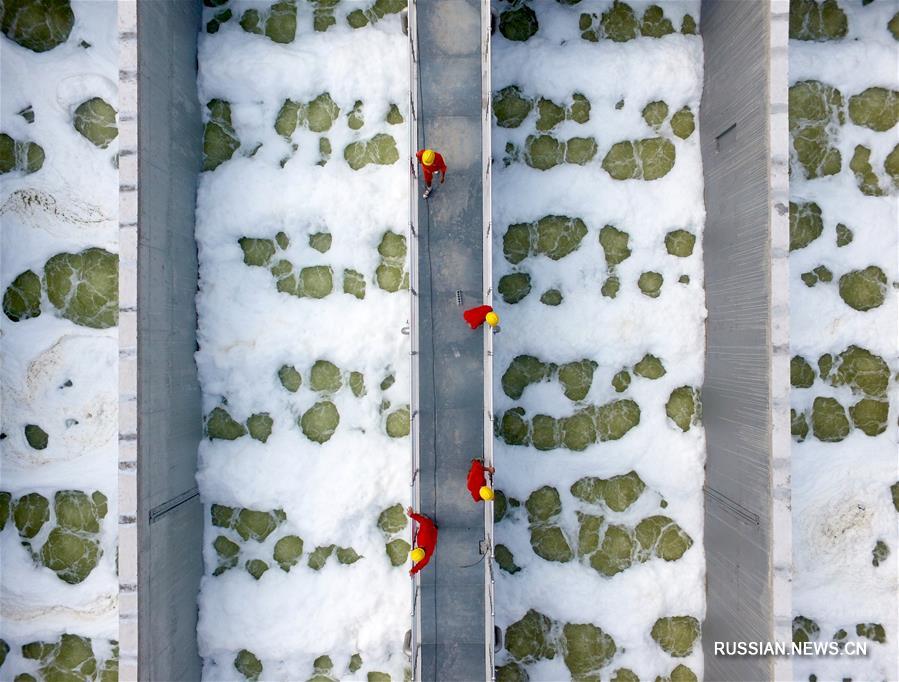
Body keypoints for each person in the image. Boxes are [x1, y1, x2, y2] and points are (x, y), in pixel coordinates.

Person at [407, 507, 438, 576]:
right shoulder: (422, 537)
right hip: (431, 527)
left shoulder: (426, 558)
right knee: (426, 521)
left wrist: (413, 571)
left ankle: (435, 527)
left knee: (430, 526)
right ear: (416, 548)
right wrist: (412, 515)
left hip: (433, 533)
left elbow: (421, 565)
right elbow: (423, 521)